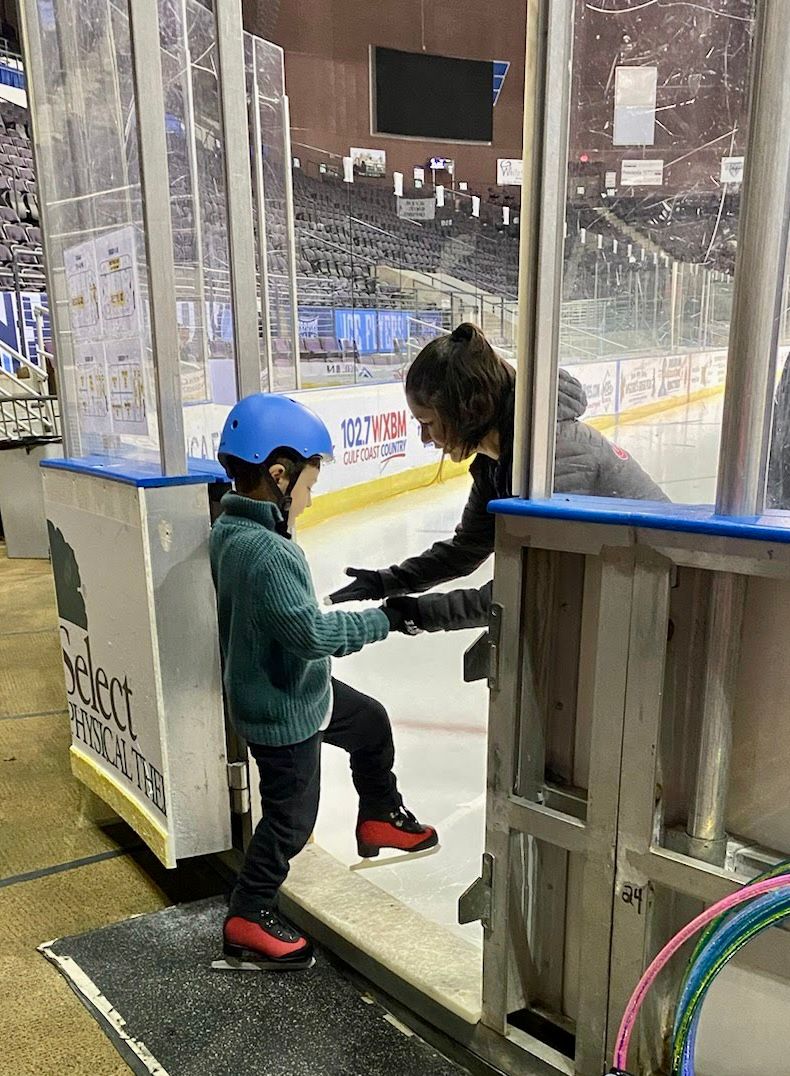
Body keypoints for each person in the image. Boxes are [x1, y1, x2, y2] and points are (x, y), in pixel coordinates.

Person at [212, 393, 437, 970]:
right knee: (291, 820)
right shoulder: (265, 550)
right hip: (283, 709)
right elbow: (310, 635)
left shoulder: (232, 527)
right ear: (278, 474)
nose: (310, 499)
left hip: (299, 689)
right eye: (308, 485)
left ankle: (379, 815)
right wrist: (385, 617)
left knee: (370, 724)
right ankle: (247, 914)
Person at [328, 322, 668, 632]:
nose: (425, 440)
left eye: (428, 424)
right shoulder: (498, 459)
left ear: (465, 410)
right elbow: (469, 545)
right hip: (615, 598)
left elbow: (529, 588)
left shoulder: (551, 462)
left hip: (654, 608)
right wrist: (388, 581)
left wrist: (421, 613)